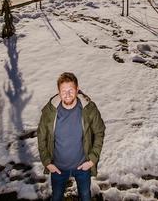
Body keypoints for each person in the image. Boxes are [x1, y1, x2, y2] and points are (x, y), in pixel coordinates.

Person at [37, 72, 106, 201]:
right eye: (63, 91)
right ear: (58, 92)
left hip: (82, 167)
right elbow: (41, 137)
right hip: (58, 168)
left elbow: (99, 132)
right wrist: (47, 162)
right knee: (56, 197)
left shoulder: (88, 109)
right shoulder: (50, 111)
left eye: (71, 90)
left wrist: (92, 160)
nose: (67, 94)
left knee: (85, 197)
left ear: (77, 89)